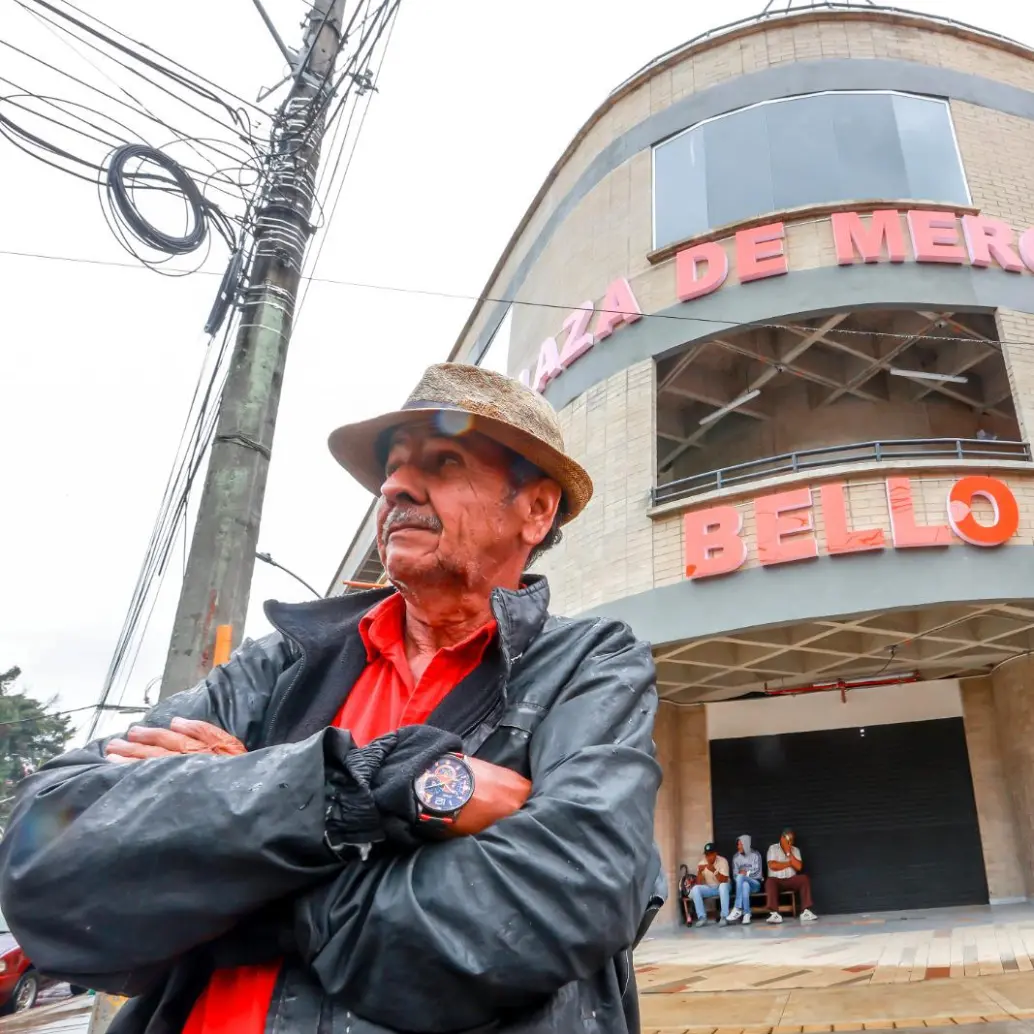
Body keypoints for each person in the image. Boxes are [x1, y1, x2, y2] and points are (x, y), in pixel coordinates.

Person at [0, 363, 666, 1034]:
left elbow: (572, 893)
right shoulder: (281, 662)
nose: (395, 485)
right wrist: (376, 788)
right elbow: (45, 851)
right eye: (395, 468)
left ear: (536, 509)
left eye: (443, 461)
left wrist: (242, 871)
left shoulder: (589, 662)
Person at [765, 827, 818, 923]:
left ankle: (805, 912)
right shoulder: (773, 848)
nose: (790, 842)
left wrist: (788, 853)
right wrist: (789, 863)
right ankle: (774, 914)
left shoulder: (795, 850)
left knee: (804, 879)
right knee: (769, 882)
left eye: (792, 840)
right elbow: (773, 865)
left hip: (791, 879)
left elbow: (798, 867)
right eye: (788, 839)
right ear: (782, 838)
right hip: (776, 880)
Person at [689, 842, 731, 927]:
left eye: (710, 854)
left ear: (715, 853)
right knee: (695, 889)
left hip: (723, 886)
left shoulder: (723, 861)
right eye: (706, 855)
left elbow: (724, 880)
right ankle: (702, 917)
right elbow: (699, 883)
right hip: (710, 888)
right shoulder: (702, 863)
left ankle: (724, 917)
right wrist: (699, 872)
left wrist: (714, 871)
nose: (708, 857)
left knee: (722, 886)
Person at [727, 834, 763, 924]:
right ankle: (747, 914)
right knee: (744, 885)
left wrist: (746, 873)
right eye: (738, 844)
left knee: (741, 877)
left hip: (755, 884)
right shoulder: (736, 857)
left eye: (741, 844)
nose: (738, 847)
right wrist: (743, 876)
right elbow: (735, 876)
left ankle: (738, 908)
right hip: (743, 884)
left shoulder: (756, 855)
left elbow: (758, 874)